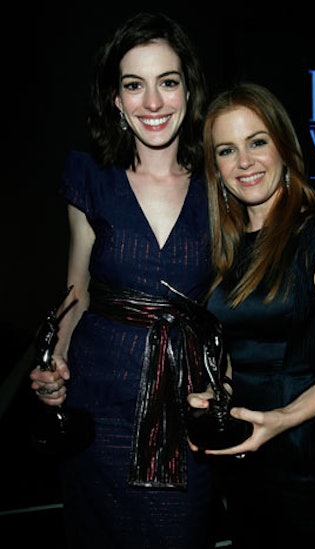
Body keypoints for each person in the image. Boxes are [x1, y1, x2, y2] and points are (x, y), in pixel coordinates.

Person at [29, 11, 218, 549]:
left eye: (168, 82)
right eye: (134, 85)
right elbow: (77, 288)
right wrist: (54, 362)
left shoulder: (219, 179)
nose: (153, 103)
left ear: (189, 89)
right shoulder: (90, 176)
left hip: (185, 405)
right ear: (114, 97)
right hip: (99, 400)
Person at [187, 82, 315, 549]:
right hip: (243, 452)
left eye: (257, 141)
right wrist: (216, 392)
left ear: (283, 145)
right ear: (215, 168)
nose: (244, 161)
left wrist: (284, 417)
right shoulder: (227, 247)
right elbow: (241, 348)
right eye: (226, 150)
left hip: (306, 456)